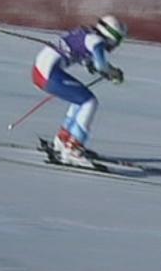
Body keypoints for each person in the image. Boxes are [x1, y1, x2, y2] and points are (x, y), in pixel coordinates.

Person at [31, 15, 128, 167]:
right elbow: (101, 65)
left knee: (80, 99)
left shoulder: (87, 34)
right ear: (111, 35)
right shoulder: (97, 41)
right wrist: (113, 73)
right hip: (48, 74)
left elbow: (83, 55)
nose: (117, 45)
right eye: (118, 40)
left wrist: (90, 64)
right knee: (89, 102)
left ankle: (63, 140)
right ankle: (73, 149)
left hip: (41, 72)